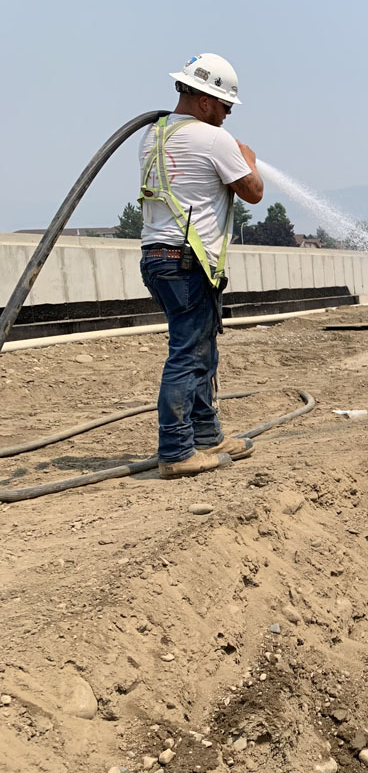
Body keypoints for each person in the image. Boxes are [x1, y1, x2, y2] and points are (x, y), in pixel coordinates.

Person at [138, 54, 264, 479]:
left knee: (201, 349)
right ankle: (176, 450)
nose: (227, 116)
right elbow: (253, 191)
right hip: (185, 261)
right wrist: (247, 157)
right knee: (188, 354)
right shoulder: (214, 141)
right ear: (207, 101)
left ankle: (207, 436)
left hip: (158, 258)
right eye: (227, 107)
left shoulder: (153, 136)